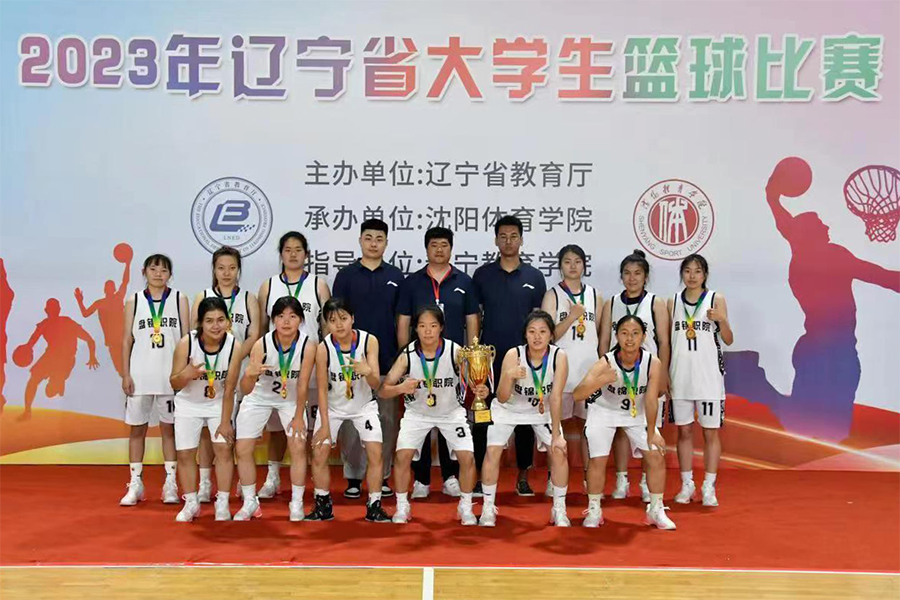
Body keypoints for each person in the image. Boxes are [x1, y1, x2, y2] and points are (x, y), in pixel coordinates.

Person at [379, 306, 485, 525]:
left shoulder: (455, 351)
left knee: (467, 457)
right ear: (415, 329)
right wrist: (401, 388)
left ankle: (465, 507)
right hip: (417, 414)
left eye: (433, 326)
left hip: (451, 413)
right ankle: (402, 506)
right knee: (402, 457)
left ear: (441, 328)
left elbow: (473, 380)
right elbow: (383, 390)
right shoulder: (408, 354)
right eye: (422, 326)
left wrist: (480, 388)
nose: (428, 331)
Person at [397, 227, 479, 499]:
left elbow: (472, 321)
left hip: (452, 361)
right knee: (418, 417)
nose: (439, 249)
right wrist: (404, 358)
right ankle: (421, 479)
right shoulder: (412, 282)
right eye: (434, 245)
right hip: (419, 360)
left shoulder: (464, 281)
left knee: (449, 416)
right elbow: (404, 321)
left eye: (444, 244)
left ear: (451, 248)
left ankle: (450, 476)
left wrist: (471, 360)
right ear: (426, 249)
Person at [574, 315, 675, 530]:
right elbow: (578, 394)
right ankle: (594, 509)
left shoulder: (652, 363)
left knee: (656, 455)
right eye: (624, 333)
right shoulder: (606, 362)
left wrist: (652, 432)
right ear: (617, 336)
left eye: (635, 333)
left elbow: (651, 400)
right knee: (597, 460)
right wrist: (601, 380)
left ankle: (656, 509)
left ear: (643, 337)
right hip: (604, 411)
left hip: (635, 413)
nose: (630, 339)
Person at [472, 215, 546, 496]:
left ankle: (523, 476)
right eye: (503, 236)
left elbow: (539, 321)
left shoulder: (534, 277)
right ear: (496, 240)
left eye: (514, 236)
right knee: (482, 417)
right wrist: (474, 354)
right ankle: (481, 476)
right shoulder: (482, 275)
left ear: (521, 240)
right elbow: (474, 317)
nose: (508, 241)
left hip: (524, 361)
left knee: (524, 420)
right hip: (487, 362)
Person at [331, 219, 403, 499]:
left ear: (386, 243)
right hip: (349, 362)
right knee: (351, 420)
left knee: (386, 421)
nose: (374, 243)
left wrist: (400, 358)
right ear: (360, 241)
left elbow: (401, 320)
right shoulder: (346, 276)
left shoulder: (396, 275)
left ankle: (382, 475)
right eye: (369, 238)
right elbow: (335, 318)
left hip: (385, 360)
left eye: (379, 239)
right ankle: (353, 475)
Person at [257, 231, 330, 499]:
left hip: (309, 366)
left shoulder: (318, 285)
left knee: (308, 427)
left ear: (306, 254)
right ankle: (273, 477)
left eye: (298, 250)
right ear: (281, 255)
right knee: (276, 428)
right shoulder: (268, 286)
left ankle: (309, 479)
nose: (293, 254)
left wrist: (326, 361)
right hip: (276, 369)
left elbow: (326, 327)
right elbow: (262, 328)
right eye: (288, 250)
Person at [480, 310, 570, 527]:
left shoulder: (559, 357)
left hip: (541, 410)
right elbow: (501, 397)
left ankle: (559, 509)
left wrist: (556, 436)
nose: (537, 337)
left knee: (559, 451)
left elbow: (556, 397)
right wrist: (508, 376)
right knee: (492, 451)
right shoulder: (514, 355)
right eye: (532, 331)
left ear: (551, 335)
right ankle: (487, 507)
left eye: (542, 332)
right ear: (525, 334)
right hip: (509, 408)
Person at [307, 298, 391, 522]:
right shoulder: (323, 348)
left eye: (343, 318)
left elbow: (375, 383)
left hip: (363, 406)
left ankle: (374, 504)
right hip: (333, 407)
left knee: (375, 452)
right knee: (319, 451)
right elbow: (322, 389)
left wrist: (367, 371)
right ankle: (323, 504)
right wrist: (325, 425)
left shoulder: (369, 341)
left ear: (352, 318)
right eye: (332, 320)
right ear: (327, 324)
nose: (339, 324)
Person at [598, 249, 670, 502]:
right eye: (627, 273)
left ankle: (647, 481)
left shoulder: (656, 303)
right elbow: (604, 340)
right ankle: (622, 479)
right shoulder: (612, 303)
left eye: (637, 273)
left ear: (645, 276)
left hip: (647, 375)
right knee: (620, 429)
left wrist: (663, 375)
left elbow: (664, 342)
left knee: (649, 427)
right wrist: (603, 372)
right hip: (618, 375)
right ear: (621, 277)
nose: (632, 278)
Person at [191, 246, 260, 503]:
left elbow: (254, 334)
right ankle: (205, 482)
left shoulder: (248, 298)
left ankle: (242, 481)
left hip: (241, 371)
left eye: (232, 268)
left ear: (239, 270)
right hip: (209, 374)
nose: (226, 273)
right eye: (221, 268)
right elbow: (195, 333)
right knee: (208, 432)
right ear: (214, 269)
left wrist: (235, 357)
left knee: (241, 429)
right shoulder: (203, 296)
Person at [119, 254, 188, 506]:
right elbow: (127, 340)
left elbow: (186, 339)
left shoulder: (179, 299)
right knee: (137, 430)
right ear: (144, 272)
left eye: (164, 270)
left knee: (169, 430)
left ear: (170, 274)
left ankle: (170, 483)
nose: (158, 274)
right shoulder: (134, 300)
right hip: (140, 376)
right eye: (153, 269)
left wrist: (183, 374)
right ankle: (135, 483)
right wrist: (126, 373)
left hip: (170, 378)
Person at [668, 254, 733, 507]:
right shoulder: (673, 302)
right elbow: (667, 341)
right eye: (687, 271)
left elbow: (728, 339)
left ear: (705, 274)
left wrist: (722, 320)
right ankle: (687, 484)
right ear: (682, 274)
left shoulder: (716, 299)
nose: (692, 276)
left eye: (697, 271)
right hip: (681, 377)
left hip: (708, 378)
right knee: (683, 431)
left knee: (710, 432)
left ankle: (709, 486)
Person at [168, 297, 241, 522]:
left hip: (219, 403)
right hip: (188, 403)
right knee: (185, 453)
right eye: (209, 321)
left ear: (228, 321)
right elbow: (174, 382)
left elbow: (230, 388)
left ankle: (222, 502)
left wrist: (226, 421)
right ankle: (191, 502)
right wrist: (186, 374)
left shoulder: (234, 346)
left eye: (220, 320)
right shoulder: (186, 343)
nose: (215, 326)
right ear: (200, 322)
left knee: (224, 449)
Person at [541, 244, 600, 495]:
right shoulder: (552, 295)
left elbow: (601, 335)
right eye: (567, 261)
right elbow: (548, 335)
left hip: (588, 372)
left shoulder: (595, 295)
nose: (573, 266)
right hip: (561, 371)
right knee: (557, 428)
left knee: (590, 429)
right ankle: (554, 478)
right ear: (560, 266)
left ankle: (589, 478)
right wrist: (572, 316)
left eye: (577, 261)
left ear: (584, 265)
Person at [74, 245, 131, 377]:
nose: (110, 288)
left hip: (124, 339)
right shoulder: (101, 303)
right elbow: (85, 314)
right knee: (123, 372)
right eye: (108, 286)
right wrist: (79, 301)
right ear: (105, 290)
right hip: (114, 342)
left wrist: (127, 265)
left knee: (129, 370)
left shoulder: (117, 298)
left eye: (111, 286)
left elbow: (125, 281)